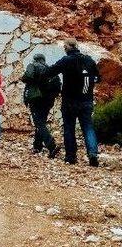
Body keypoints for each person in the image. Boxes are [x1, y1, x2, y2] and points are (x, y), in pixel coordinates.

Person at [44, 38, 100, 166]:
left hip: (69, 100)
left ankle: (71, 157)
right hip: (86, 100)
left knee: (69, 128)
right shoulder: (89, 60)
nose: (64, 48)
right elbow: (98, 78)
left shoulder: (66, 60)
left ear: (68, 47)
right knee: (88, 127)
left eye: (65, 46)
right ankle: (93, 154)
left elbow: (50, 72)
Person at [21, 54, 61, 158]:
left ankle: (51, 145)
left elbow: (27, 77)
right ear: (44, 60)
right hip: (48, 101)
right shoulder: (50, 69)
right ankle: (37, 146)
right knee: (42, 122)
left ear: (35, 59)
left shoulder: (32, 65)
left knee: (39, 123)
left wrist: (27, 79)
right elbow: (58, 86)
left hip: (36, 99)